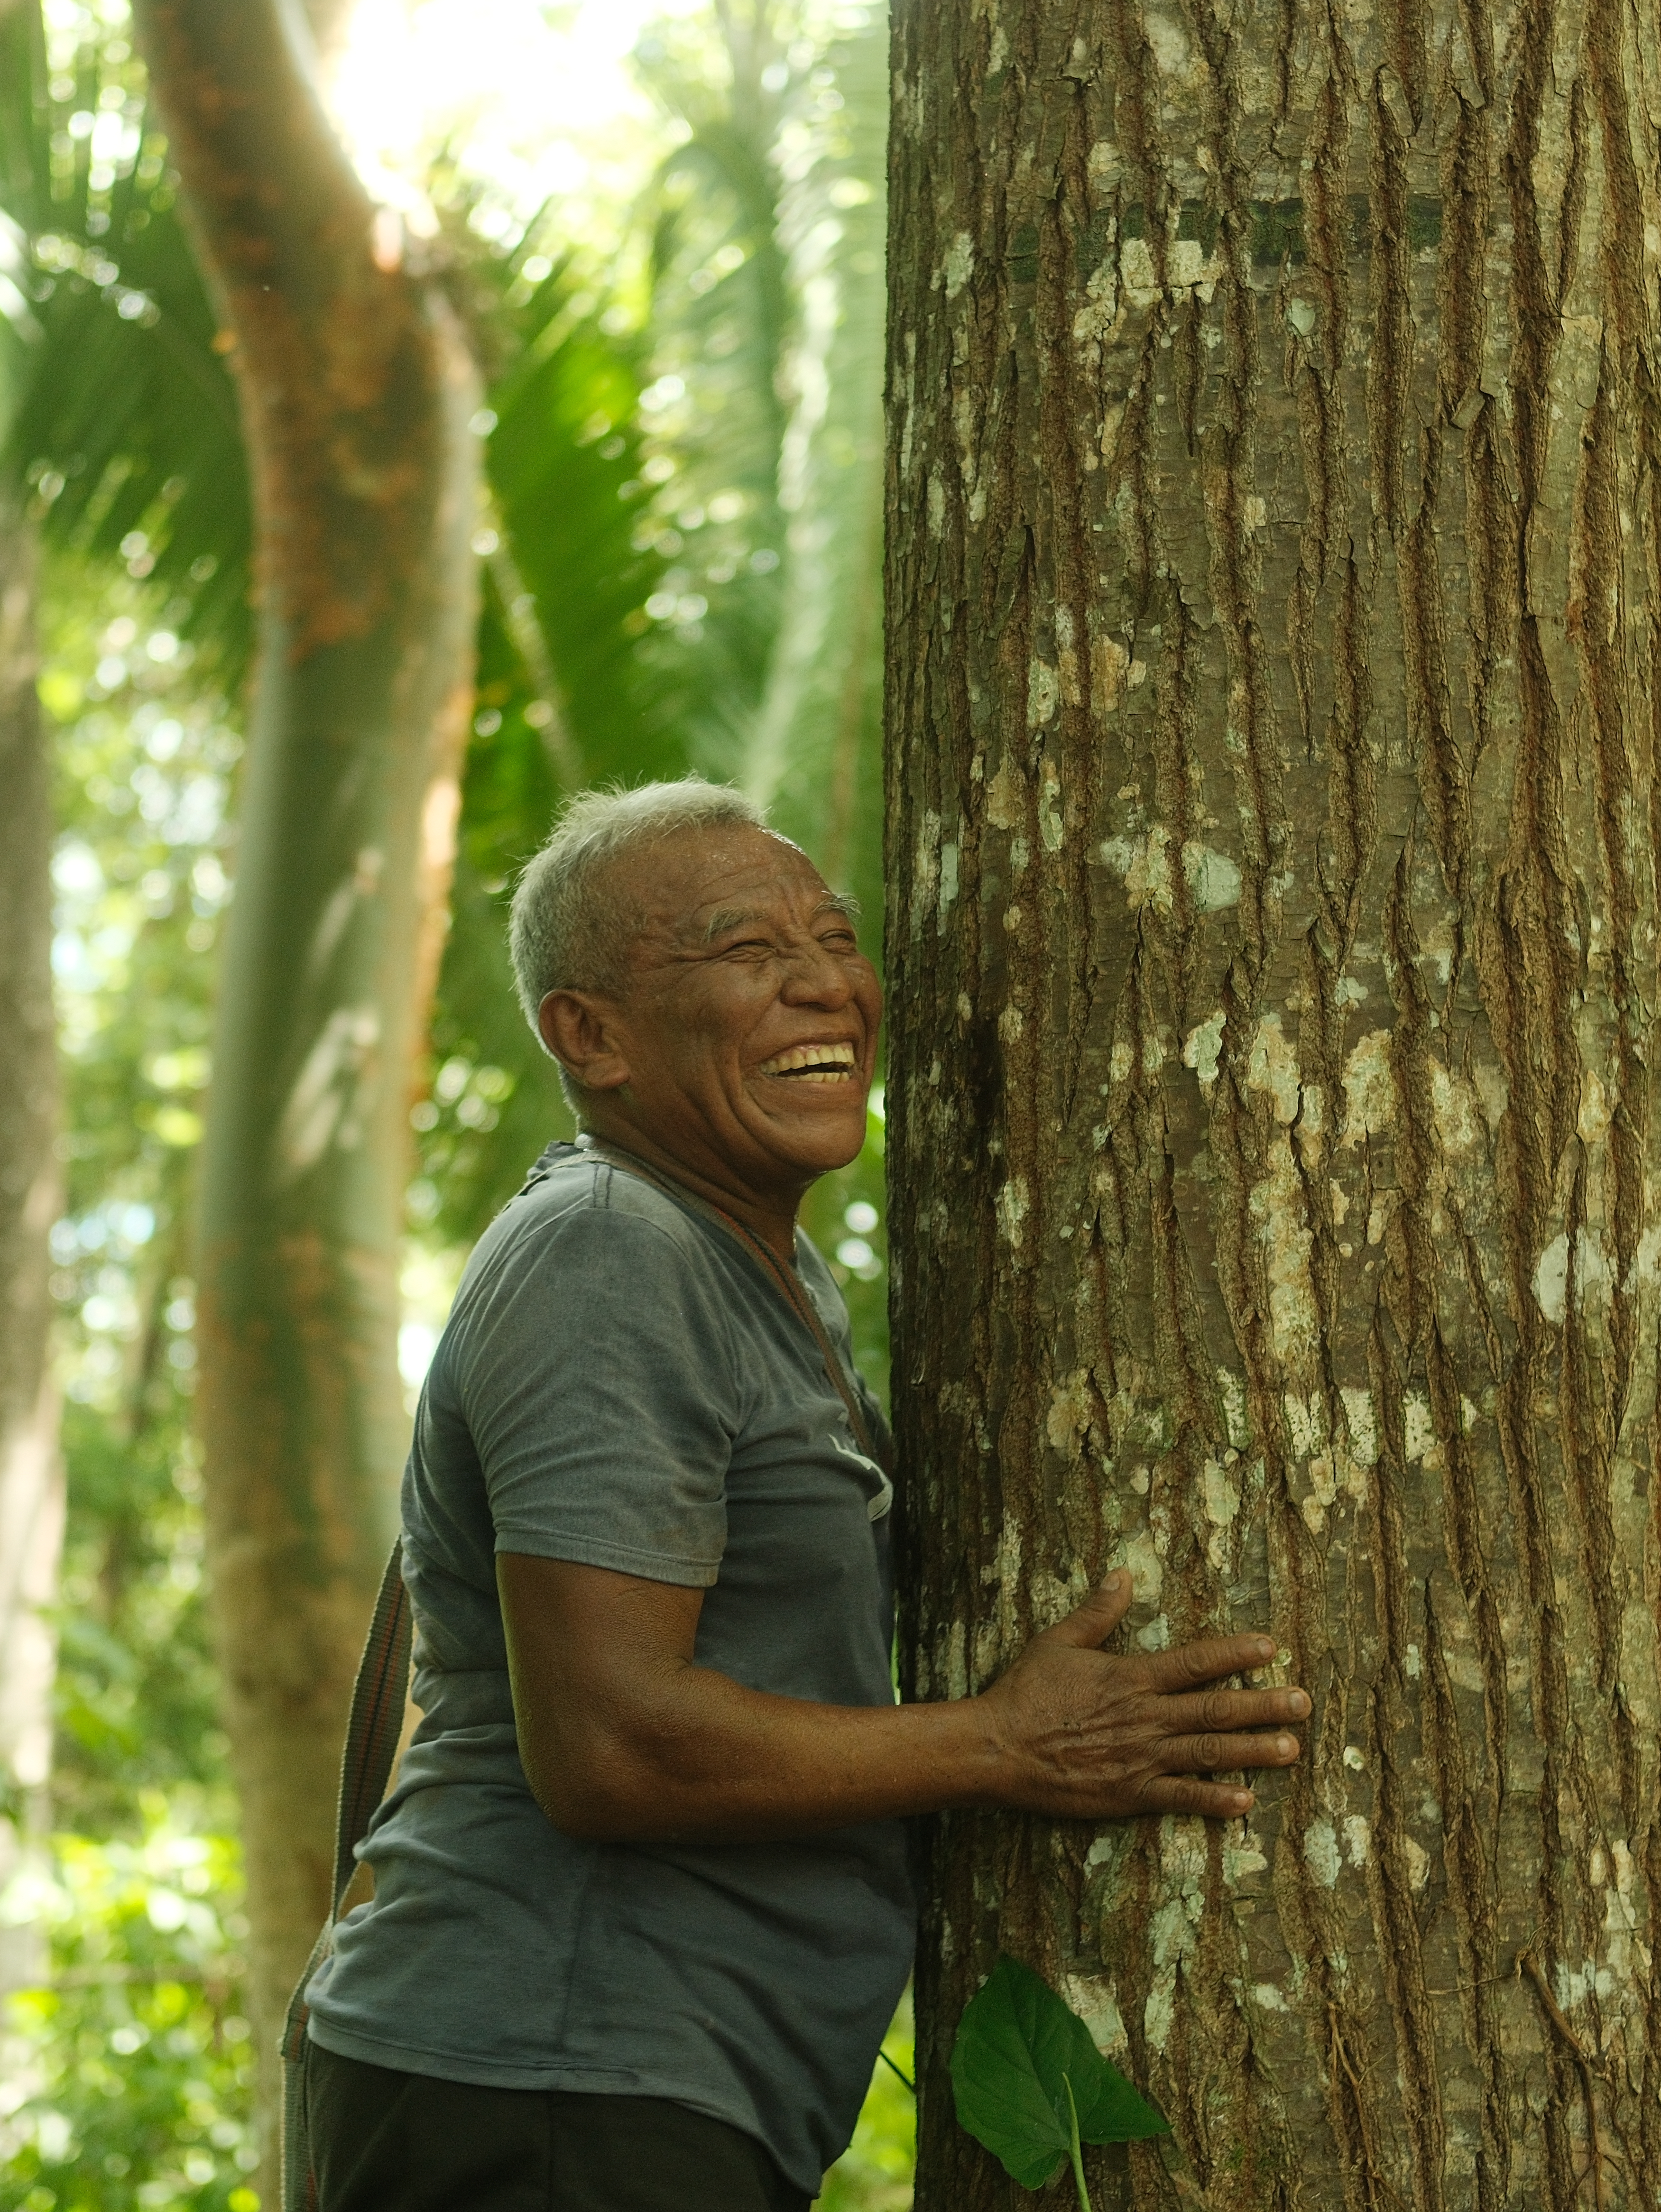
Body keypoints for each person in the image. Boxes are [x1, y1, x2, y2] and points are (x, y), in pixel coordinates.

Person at [297, 780, 1313, 2212]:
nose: (822, 983)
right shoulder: (610, 1257)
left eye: (831, 937)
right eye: (741, 953)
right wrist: (1006, 1746)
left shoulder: (755, 1270)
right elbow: (607, 1746)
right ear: (589, 1035)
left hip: (633, 2093)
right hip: (547, 2088)